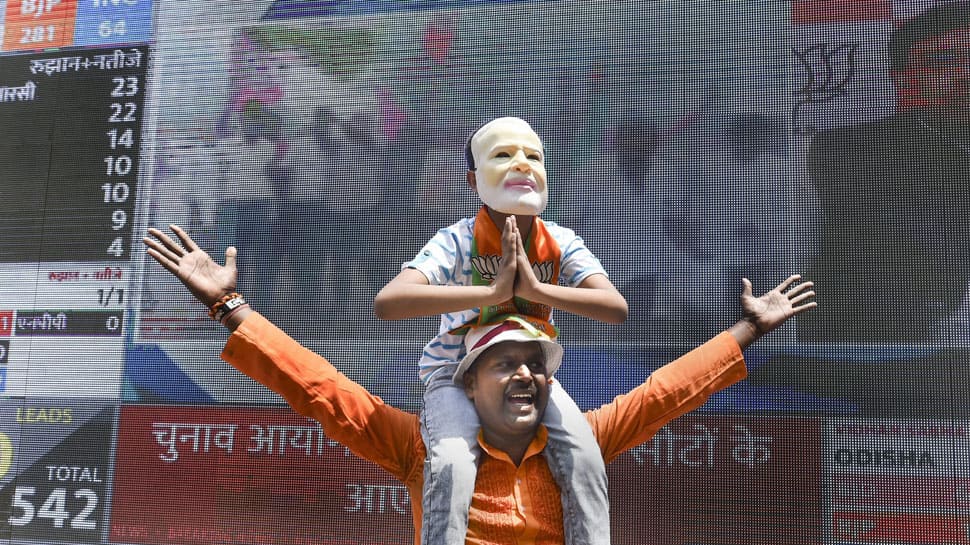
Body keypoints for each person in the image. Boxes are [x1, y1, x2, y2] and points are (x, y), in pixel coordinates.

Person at [143, 223, 816, 545]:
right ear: (467, 382)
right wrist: (229, 308)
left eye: (536, 362)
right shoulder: (424, 450)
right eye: (505, 361)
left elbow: (665, 393)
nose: (526, 372)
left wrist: (747, 331)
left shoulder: (579, 443)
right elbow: (320, 388)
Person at [373, 116, 628, 544]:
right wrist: (491, 294)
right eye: (504, 155)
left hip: (526, 376)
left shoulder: (561, 240)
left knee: (584, 460)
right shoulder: (456, 241)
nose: (523, 165)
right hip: (455, 376)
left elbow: (614, 308)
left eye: (534, 156)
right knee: (452, 462)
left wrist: (534, 287)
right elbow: (389, 303)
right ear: (474, 181)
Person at [799, 1, 970, 343]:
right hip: (882, 348)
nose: (965, 73)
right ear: (902, 79)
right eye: (943, 60)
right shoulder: (848, 152)